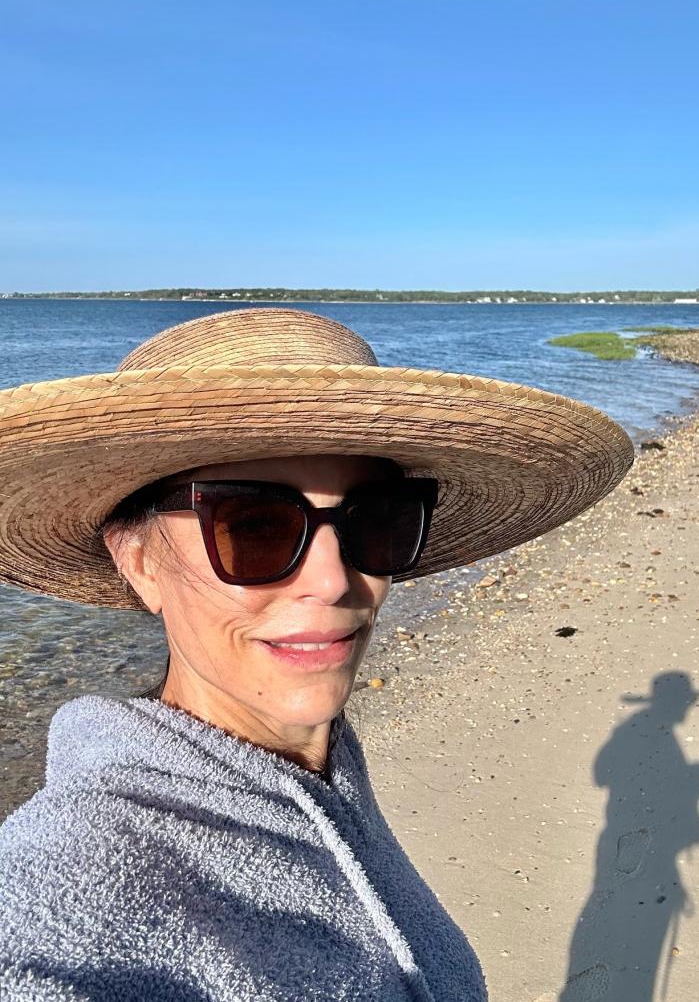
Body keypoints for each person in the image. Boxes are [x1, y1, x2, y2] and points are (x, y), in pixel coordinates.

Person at [0, 307, 633, 1001]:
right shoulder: (74, 875)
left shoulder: (322, 771)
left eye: (376, 520)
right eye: (257, 526)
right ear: (139, 561)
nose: (335, 579)